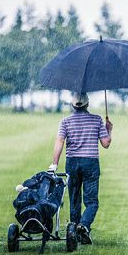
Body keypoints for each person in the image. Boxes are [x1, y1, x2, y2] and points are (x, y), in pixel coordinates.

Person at [48, 93, 112, 245]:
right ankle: (84, 225)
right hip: (91, 163)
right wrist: (109, 130)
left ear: (72, 105)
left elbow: (59, 143)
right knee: (91, 201)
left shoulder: (65, 121)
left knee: (74, 199)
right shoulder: (97, 120)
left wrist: (54, 164)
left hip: (72, 163)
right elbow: (106, 143)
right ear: (87, 104)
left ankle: (74, 232)